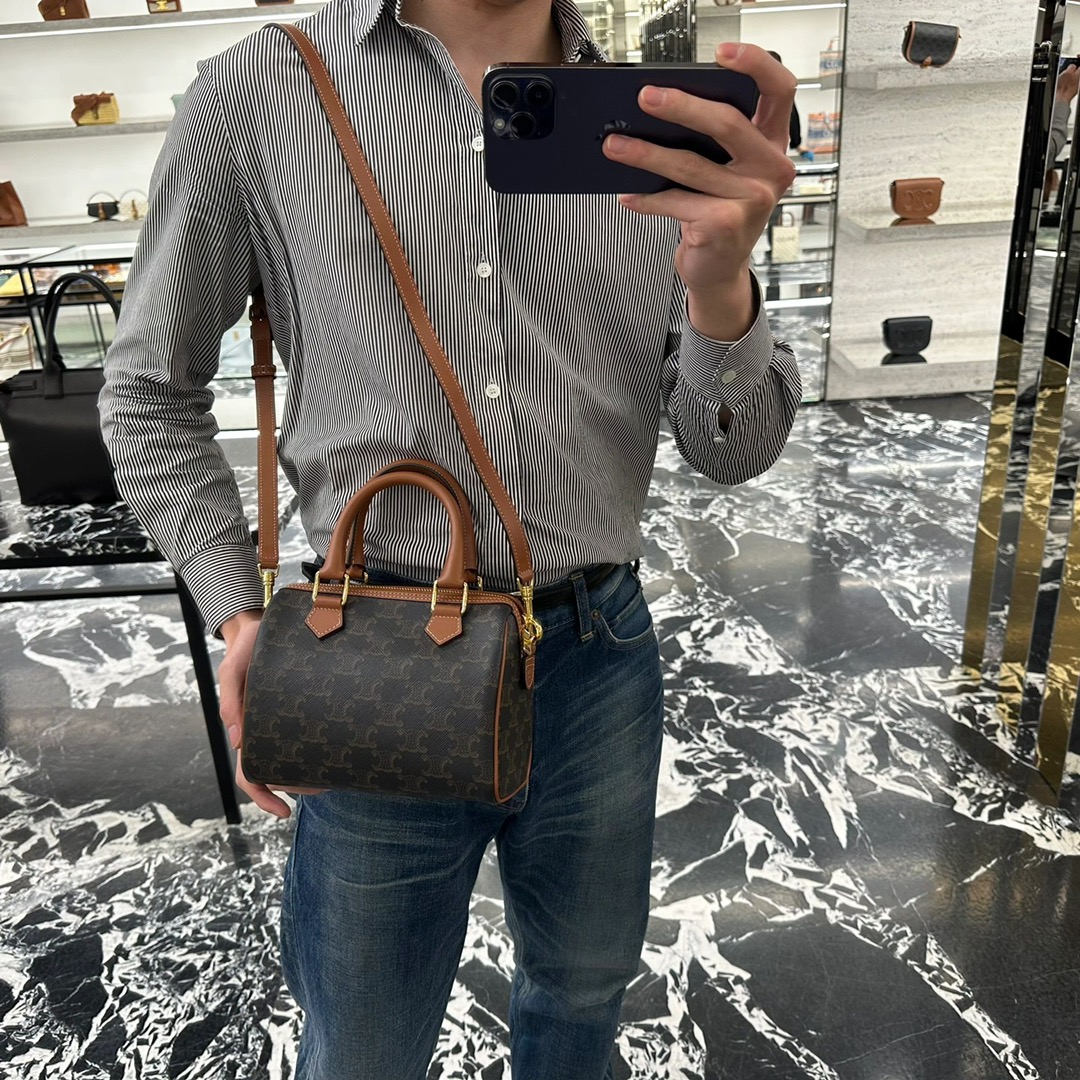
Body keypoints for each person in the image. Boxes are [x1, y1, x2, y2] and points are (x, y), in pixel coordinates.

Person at [99, 0, 802, 1076]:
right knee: (365, 1043)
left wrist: (720, 287)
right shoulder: (259, 93)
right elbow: (149, 393)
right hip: (375, 655)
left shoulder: (648, 123)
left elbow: (734, 446)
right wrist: (238, 612)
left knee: (582, 1001)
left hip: (598, 653)